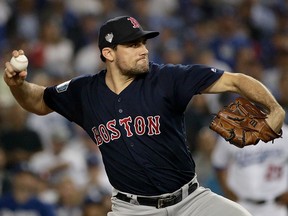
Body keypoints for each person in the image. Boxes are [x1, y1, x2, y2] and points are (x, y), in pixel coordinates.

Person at [3, 15, 285, 216]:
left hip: (192, 202)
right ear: (108, 53)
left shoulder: (167, 78)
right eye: (134, 45)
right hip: (131, 209)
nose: (144, 50)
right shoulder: (84, 92)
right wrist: (18, 85)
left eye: (143, 43)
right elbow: (38, 101)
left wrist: (275, 109)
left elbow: (235, 80)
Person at [211, 123, 288, 216]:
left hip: (276, 206)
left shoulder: (284, 133)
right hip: (242, 204)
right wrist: (227, 191)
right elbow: (219, 164)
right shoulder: (232, 133)